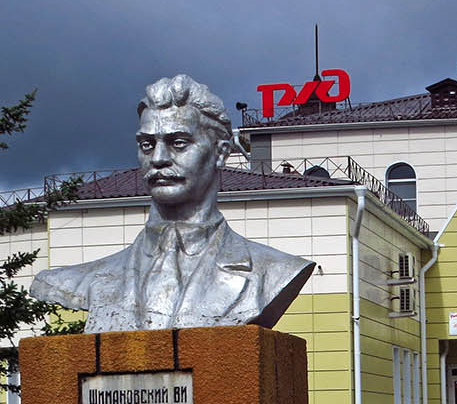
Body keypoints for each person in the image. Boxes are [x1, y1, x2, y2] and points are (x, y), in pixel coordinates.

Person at [30, 75, 315, 332]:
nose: (158, 158)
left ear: (221, 153)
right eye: (147, 145)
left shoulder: (275, 272)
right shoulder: (78, 281)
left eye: (178, 143)